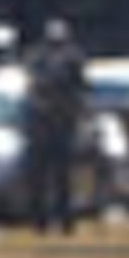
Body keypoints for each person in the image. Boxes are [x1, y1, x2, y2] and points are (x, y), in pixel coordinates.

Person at [23, 17, 89, 233]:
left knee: (60, 176)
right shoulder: (38, 58)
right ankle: (42, 219)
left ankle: (61, 219)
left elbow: (81, 89)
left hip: (60, 124)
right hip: (44, 125)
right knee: (42, 176)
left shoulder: (72, 58)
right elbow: (32, 86)